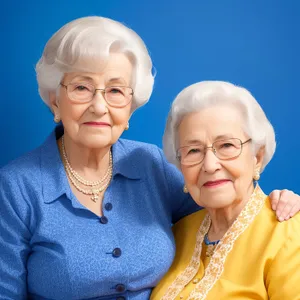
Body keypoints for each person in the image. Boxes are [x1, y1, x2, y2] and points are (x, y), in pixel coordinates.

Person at [0, 17, 299, 300]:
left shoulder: (150, 164)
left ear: (130, 106)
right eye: (81, 88)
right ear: (55, 99)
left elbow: (223, 194)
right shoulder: (16, 188)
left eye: (116, 90)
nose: (99, 106)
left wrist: (281, 203)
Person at [151, 81, 300, 299]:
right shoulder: (177, 235)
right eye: (193, 150)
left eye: (226, 146)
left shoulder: (289, 235)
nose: (210, 165)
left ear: (257, 158)